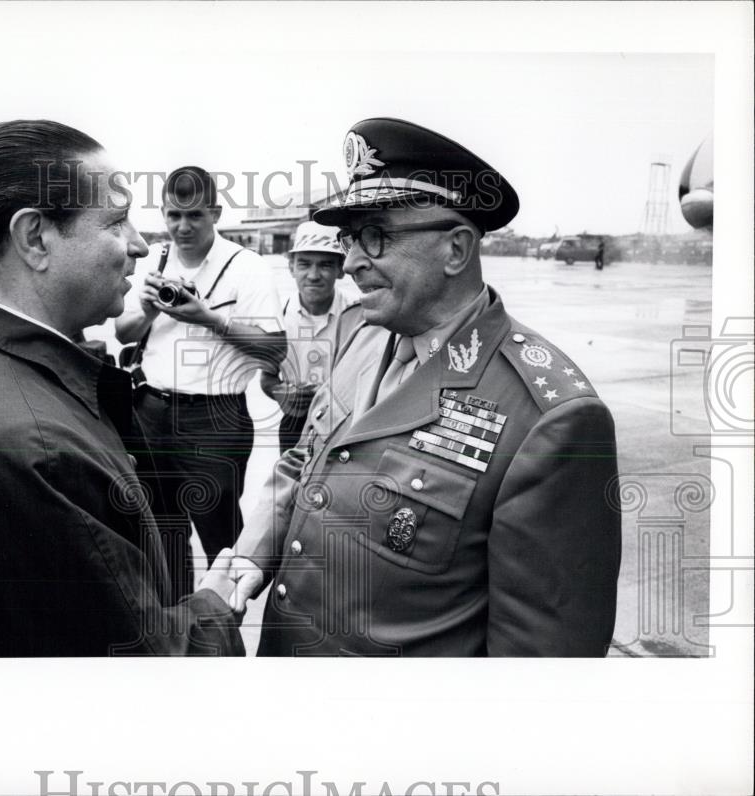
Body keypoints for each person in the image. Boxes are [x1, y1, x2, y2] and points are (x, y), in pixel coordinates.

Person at [230, 117, 622, 656]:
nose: (348, 263)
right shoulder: (365, 337)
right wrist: (251, 556)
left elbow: (545, 659)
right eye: (349, 239)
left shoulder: (551, 416)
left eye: (375, 237)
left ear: (456, 250)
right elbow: (307, 460)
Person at [0, 120, 249, 656]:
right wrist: (216, 601)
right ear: (34, 238)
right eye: (117, 222)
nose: (140, 245)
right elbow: (130, 666)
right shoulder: (28, 449)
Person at [115, 166, 285, 603]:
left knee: (222, 542)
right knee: (159, 536)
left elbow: (273, 350)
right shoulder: (154, 259)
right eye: (173, 215)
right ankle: (175, 631)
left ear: (216, 212)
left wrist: (208, 317)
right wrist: (152, 308)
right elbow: (123, 332)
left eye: (194, 216)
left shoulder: (246, 267)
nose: (182, 227)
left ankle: (223, 635)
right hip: (150, 411)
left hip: (216, 418)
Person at [261, 220, 361, 454]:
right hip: (295, 423)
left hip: (346, 424)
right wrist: (282, 394)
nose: (314, 275)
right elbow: (267, 379)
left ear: (340, 268)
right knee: (292, 487)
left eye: (325, 265)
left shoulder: (359, 315)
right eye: (304, 264)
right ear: (291, 267)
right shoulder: (276, 318)